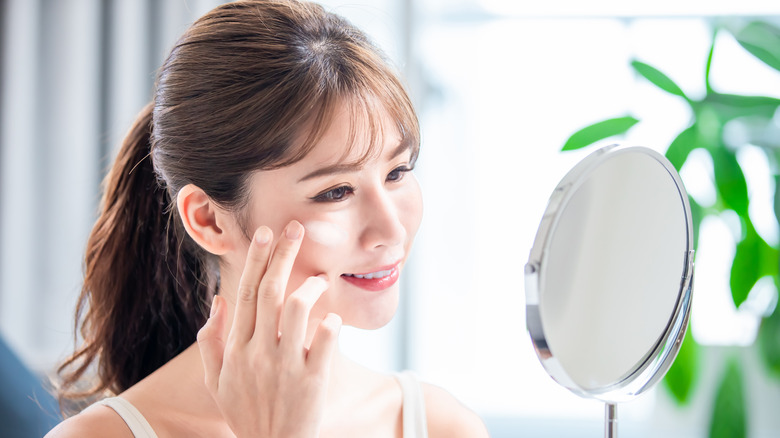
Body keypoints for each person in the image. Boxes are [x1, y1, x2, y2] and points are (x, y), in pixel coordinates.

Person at [46, 1, 488, 437]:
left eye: (397, 172)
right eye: (335, 192)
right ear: (209, 220)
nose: (392, 230)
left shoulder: (440, 425)